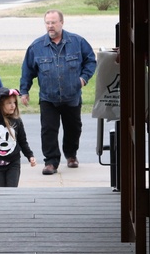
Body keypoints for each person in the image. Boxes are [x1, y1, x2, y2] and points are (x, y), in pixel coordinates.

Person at [19, 9, 97, 175]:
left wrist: (83, 79)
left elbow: (91, 60)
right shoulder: (36, 46)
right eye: (47, 23)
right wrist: (24, 91)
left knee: (73, 128)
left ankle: (71, 155)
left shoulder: (77, 41)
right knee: (48, 129)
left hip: (72, 96)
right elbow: (27, 70)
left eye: (53, 22)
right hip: (48, 97)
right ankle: (51, 162)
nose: (50, 26)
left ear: (62, 22)